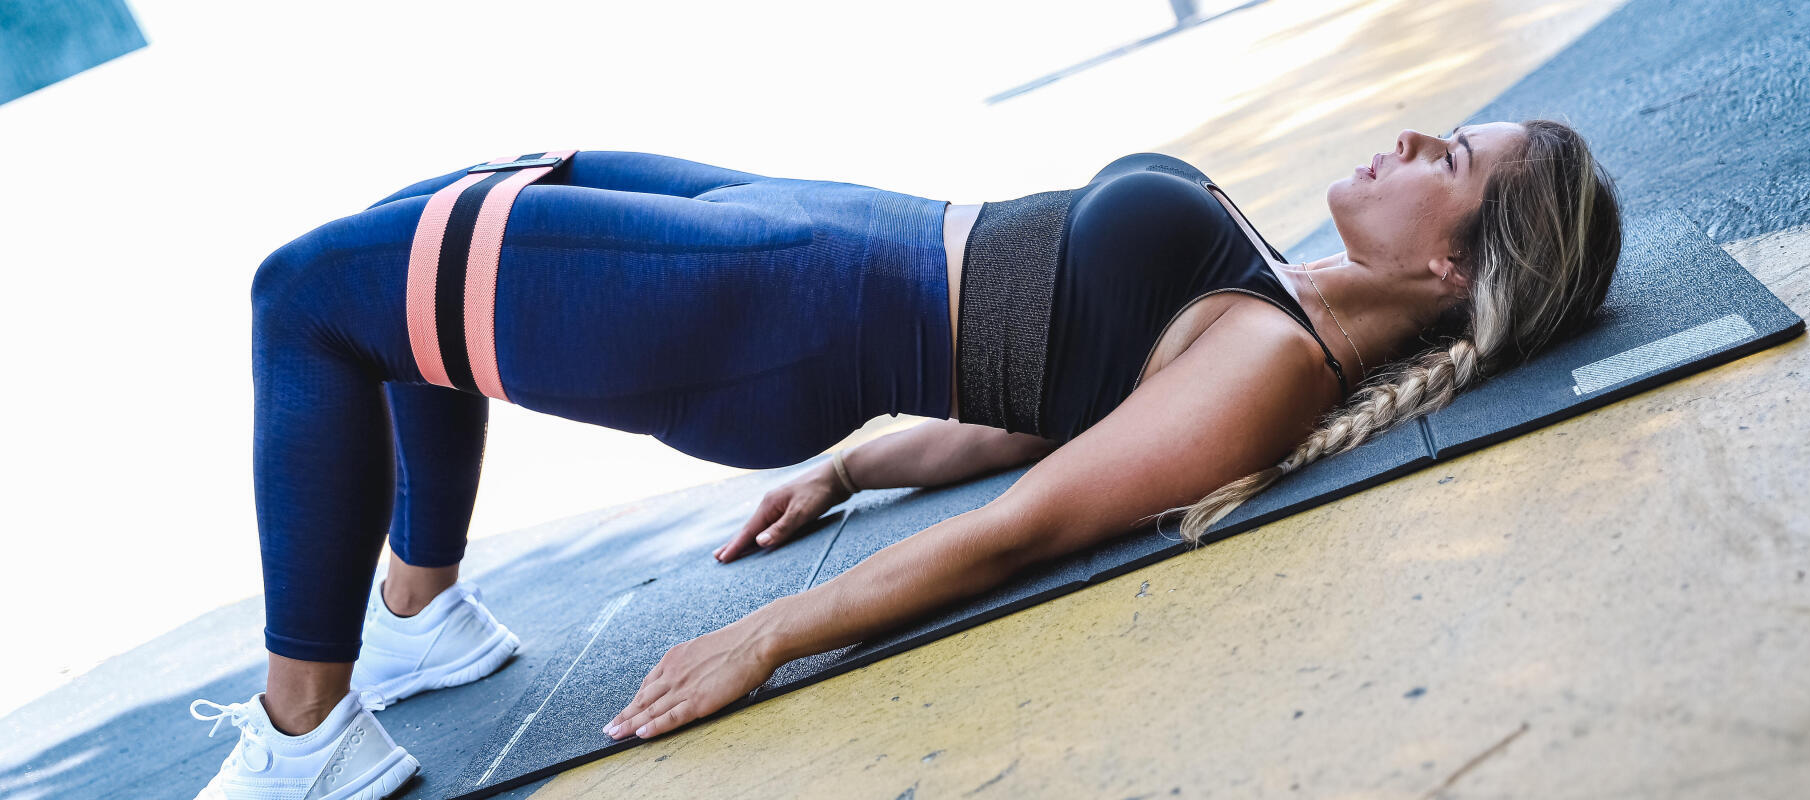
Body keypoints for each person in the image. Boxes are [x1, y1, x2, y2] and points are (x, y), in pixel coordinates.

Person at [189, 118, 1619, 799]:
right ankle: (423, 620)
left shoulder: (1271, 370)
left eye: (1456, 157)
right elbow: (1046, 399)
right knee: (433, 208)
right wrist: (858, 470)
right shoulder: (1281, 295)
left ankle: (307, 737)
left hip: (764, 312)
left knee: (309, 296)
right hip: (801, 231)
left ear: (1451, 263)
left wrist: (773, 634)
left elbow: (1033, 522)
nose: (1418, 130)